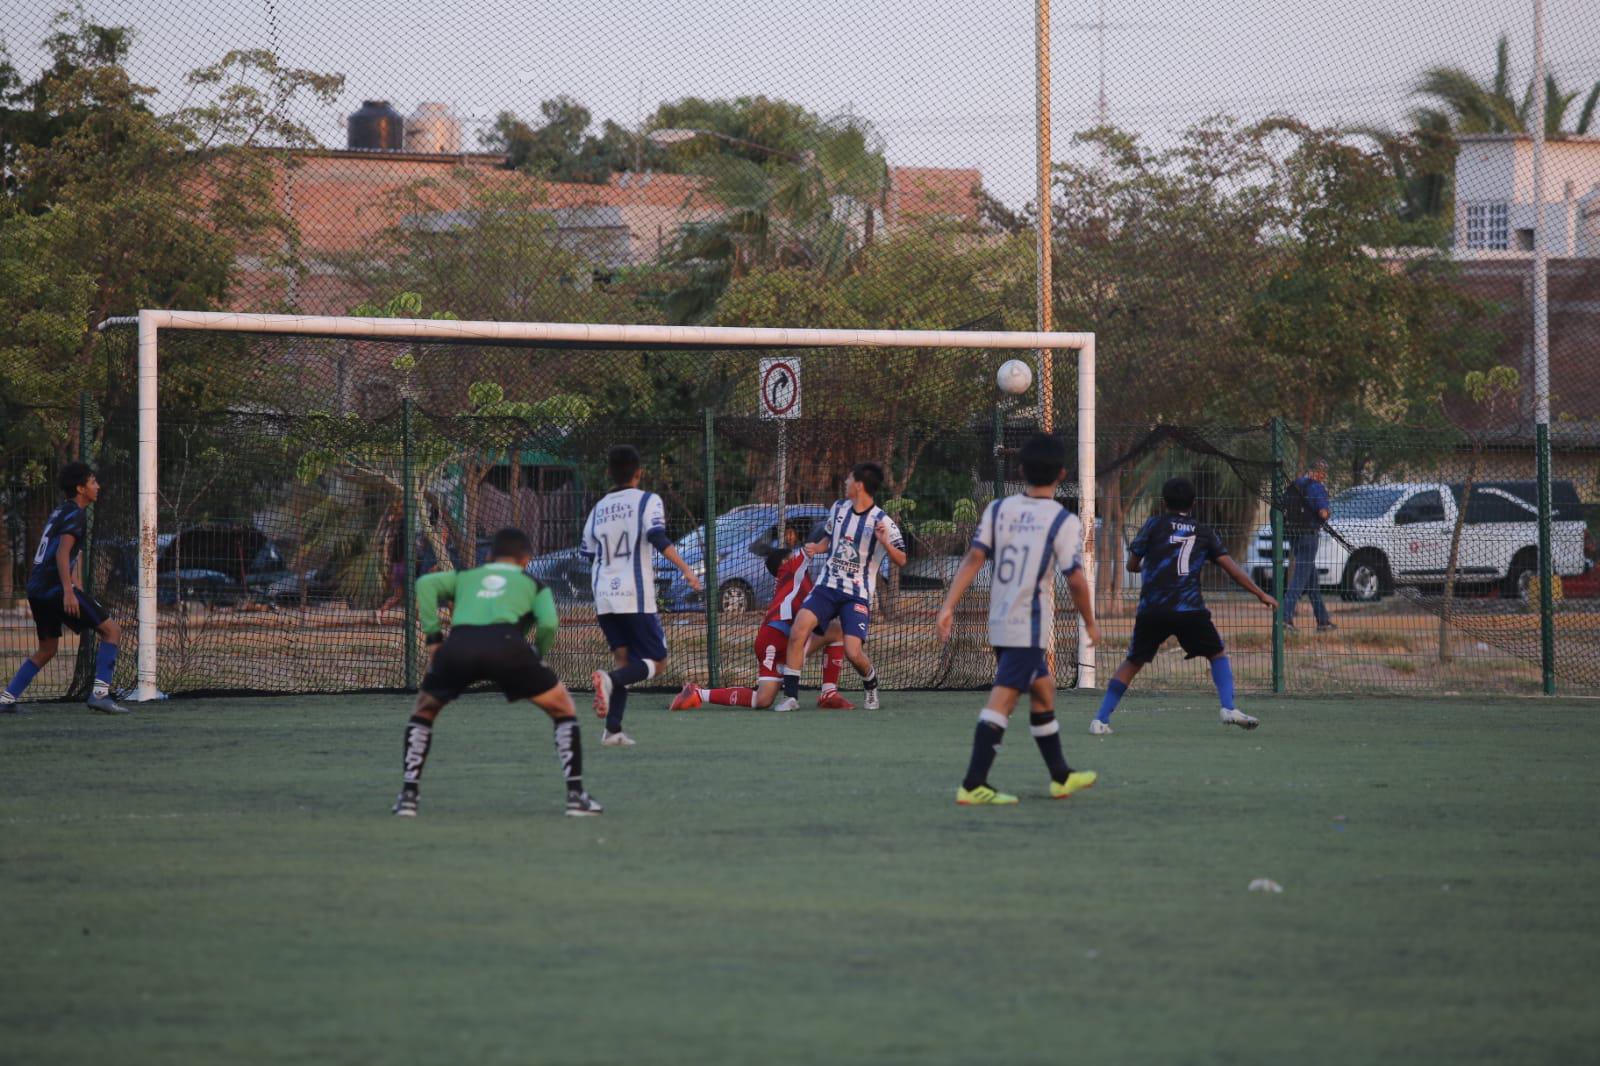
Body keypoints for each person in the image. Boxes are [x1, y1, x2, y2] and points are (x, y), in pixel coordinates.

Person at [936, 434, 1102, 805]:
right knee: (1003, 701)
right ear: (1062, 474)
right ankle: (973, 783)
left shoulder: (999, 509)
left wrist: (948, 605)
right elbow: (1076, 579)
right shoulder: (1062, 520)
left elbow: (974, 558)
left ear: (1020, 470)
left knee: (1043, 690)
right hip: (1027, 626)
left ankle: (1060, 776)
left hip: (999, 622)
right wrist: (1090, 622)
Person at [392, 527, 601, 817]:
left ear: (489, 556)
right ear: (526, 560)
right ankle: (576, 797)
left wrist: (434, 639)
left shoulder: (466, 577)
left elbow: (426, 584)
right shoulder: (534, 584)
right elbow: (549, 623)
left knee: (424, 711)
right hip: (508, 647)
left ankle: (408, 797)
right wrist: (536, 654)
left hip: (459, 646)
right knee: (563, 708)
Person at [1090, 477, 1277, 735]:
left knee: (1132, 662)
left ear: (1164, 502)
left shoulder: (1153, 525)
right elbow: (1232, 569)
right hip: (1189, 609)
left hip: (1153, 609)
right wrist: (1261, 594)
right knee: (1217, 654)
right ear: (1194, 503)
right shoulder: (1203, 532)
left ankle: (1100, 720)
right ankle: (1228, 707)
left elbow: (1132, 565)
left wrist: (1154, 567)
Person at [582, 445, 702, 746]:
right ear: (639, 473)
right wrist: (686, 569)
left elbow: (589, 553)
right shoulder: (648, 500)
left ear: (609, 473)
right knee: (657, 662)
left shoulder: (598, 508)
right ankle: (609, 681)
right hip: (633, 594)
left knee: (624, 662)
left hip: (604, 596)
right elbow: (656, 536)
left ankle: (613, 731)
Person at [667, 522, 852, 711]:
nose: (797, 554)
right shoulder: (791, 567)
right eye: (792, 554)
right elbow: (816, 545)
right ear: (785, 562)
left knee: (835, 631)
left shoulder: (798, 577)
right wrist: (843, 524)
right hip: (774, 637)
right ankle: (698, 693)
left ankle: (828, 693)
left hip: (788, 636)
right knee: (762, 700)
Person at [774, 462, 906, 712]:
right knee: (799, 630)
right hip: (827, 585)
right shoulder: (838, 508)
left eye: (849, 479)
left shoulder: (882, 521)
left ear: (859, 485)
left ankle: (870, 683)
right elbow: (829, 538)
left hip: (856, 594)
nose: (845, 483)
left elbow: (901, 559)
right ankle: (790, 697)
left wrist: (885, 542)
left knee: (853, 652)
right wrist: (818, 547)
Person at [1, 462, 129, 715]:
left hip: (37, 588)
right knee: (112, 631)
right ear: (81, 488)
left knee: (47, 649)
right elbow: (62, 552)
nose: (97, 486)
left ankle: (5, 700)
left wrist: (75, 583)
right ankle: (100, 695)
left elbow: (64, 551)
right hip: (55, 589)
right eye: (93, 482)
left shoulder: (61, 511)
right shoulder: (76, 515)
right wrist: (69, 591)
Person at [1283, 457, 1336, 632]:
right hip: (1309, 536)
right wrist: (1328, 513)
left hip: (1293, 535)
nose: (1323, 476)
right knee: (1299, 579)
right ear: (1318, 472)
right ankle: (1285, 618)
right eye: (1323, 472)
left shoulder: (1296, 484)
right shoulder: (1316, 487)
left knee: (1312, 581)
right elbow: (1323, 513)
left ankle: (1323, 621)